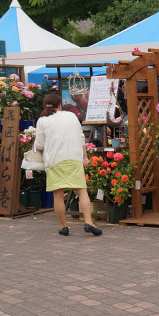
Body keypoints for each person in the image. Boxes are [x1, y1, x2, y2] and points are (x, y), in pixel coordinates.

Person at [35, 94, 102, 236]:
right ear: (59, 105)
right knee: (81, 190)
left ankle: (64, 226)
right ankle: (89, 222)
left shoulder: (42, 120)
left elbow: (39, 145)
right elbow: (81, 137)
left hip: (54, 160)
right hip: (74, 157)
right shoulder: (71, 116)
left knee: (58, 194)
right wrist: (84, 156)